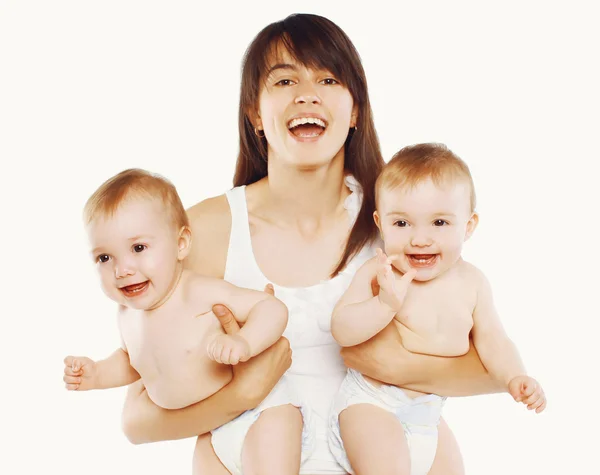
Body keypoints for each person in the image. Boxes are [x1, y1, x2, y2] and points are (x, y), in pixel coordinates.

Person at [119, 14, 504, 475]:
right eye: (284, 80)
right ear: (255, 113)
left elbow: (490, 368)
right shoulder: (203, 230)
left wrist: (395, 364)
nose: (306, 93)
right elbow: (137, 421)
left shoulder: (402, 223)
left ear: (356, 109)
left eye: (327, 77)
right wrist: (243, 392)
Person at [62, 168, 310, 474]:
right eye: (104, 257)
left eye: (138, 248)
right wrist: (97, 374)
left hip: (264, 414)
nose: (122, 269)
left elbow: (271, 308)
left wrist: (243, 342)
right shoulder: (127, 315)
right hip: (209, 427)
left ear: (181, 244)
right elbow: (132, 361)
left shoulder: (198, 292)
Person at [328, 143, 547, 475]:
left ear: (468, 226)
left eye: (439, 223)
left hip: (427, 413)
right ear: (380, 223)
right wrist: (384, 305)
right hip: (372, 404)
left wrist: (514, 376)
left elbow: (493, 339)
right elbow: (342, 330)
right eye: (402, 224)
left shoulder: (473, 283)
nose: (420, 238)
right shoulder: (380, 274)